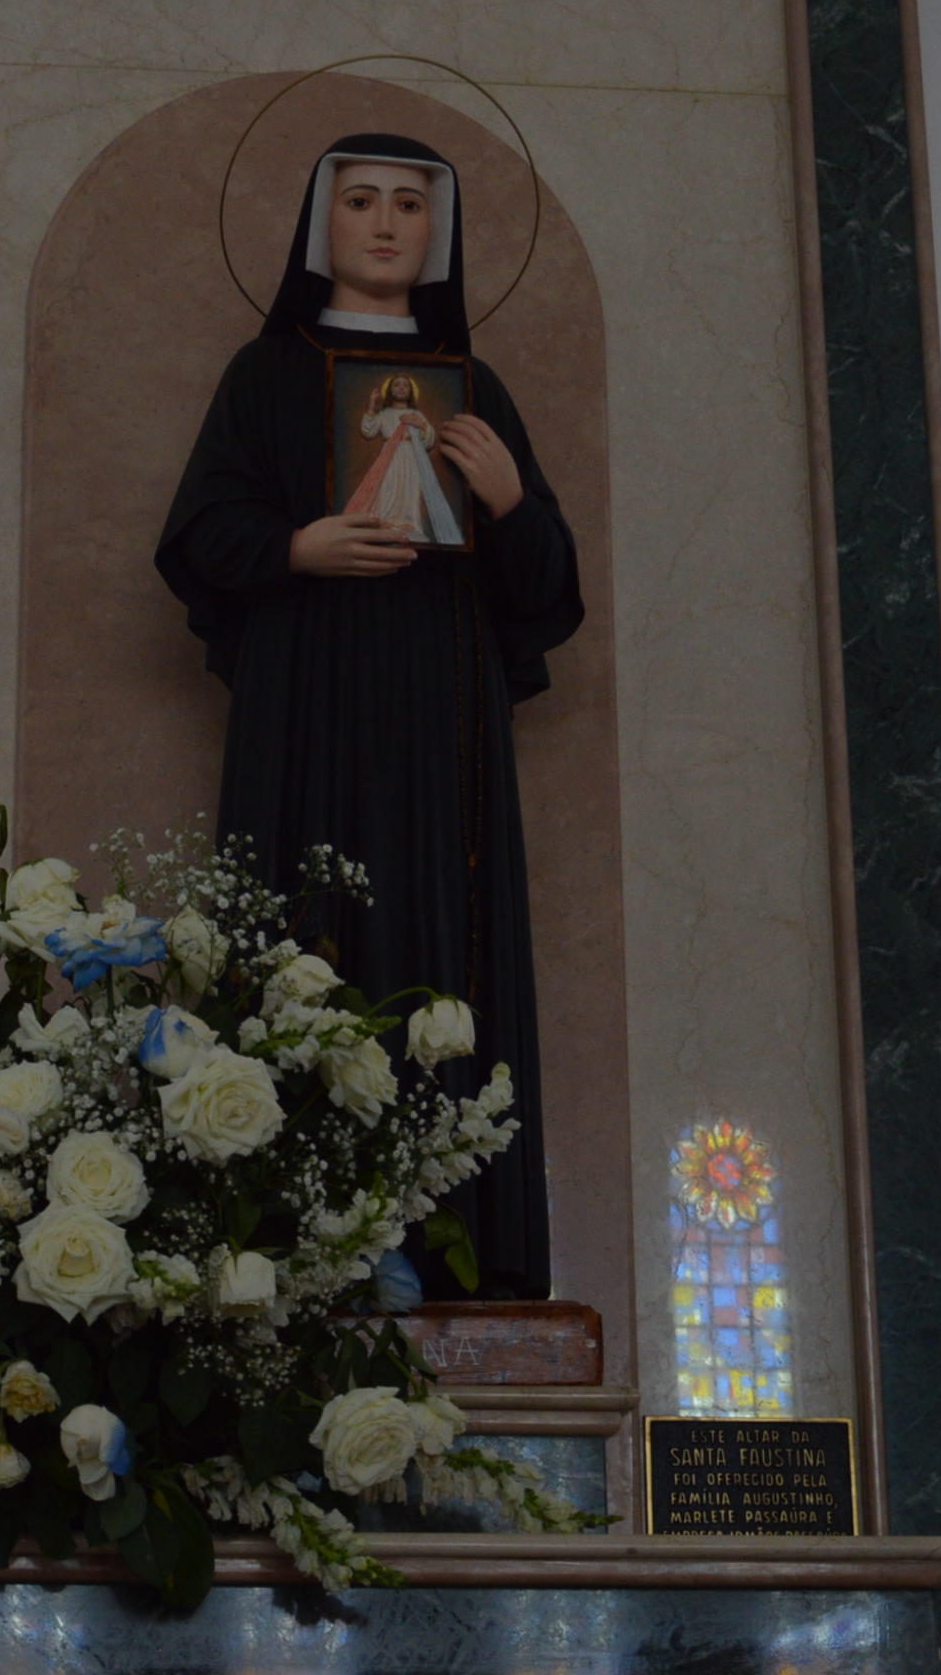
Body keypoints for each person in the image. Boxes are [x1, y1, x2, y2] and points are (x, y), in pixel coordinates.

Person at [156, 131, 582, 1300]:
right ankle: (288, 1242)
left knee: (443, 940)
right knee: (302, 931)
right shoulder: (263, 375)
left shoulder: (473, 388)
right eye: (359, 200)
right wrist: (296, 546)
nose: (384, 223)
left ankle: (455, 1248)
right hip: (306, 705)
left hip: (443, 725)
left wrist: (509, 502)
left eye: (406, 203)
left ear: (436, 232)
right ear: (319, 222)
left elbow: (546, 587)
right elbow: (198, 530)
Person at [343, 372, 467, 546]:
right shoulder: (385, 414)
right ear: (390, 390)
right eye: (397, 385)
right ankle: (386, 523)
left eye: (405, 385)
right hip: (389, 456)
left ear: (410, 391)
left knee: (409, 490)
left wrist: (420, 424)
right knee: (388, 487)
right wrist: (371, 405)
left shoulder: (416, 414)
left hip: (412, 456)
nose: (401, 388)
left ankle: (410, 526)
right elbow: (368, 431)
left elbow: (429, 439)